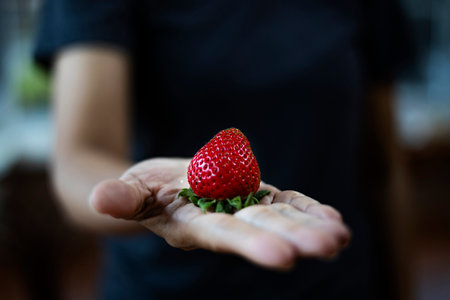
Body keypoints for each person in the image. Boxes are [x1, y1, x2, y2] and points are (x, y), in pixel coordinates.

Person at [34, 0, 413, 299]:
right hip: (168, 288)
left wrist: (402, 289)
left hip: (336, 279)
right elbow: (80, 155)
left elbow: (382, 160)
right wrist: (144, 193)